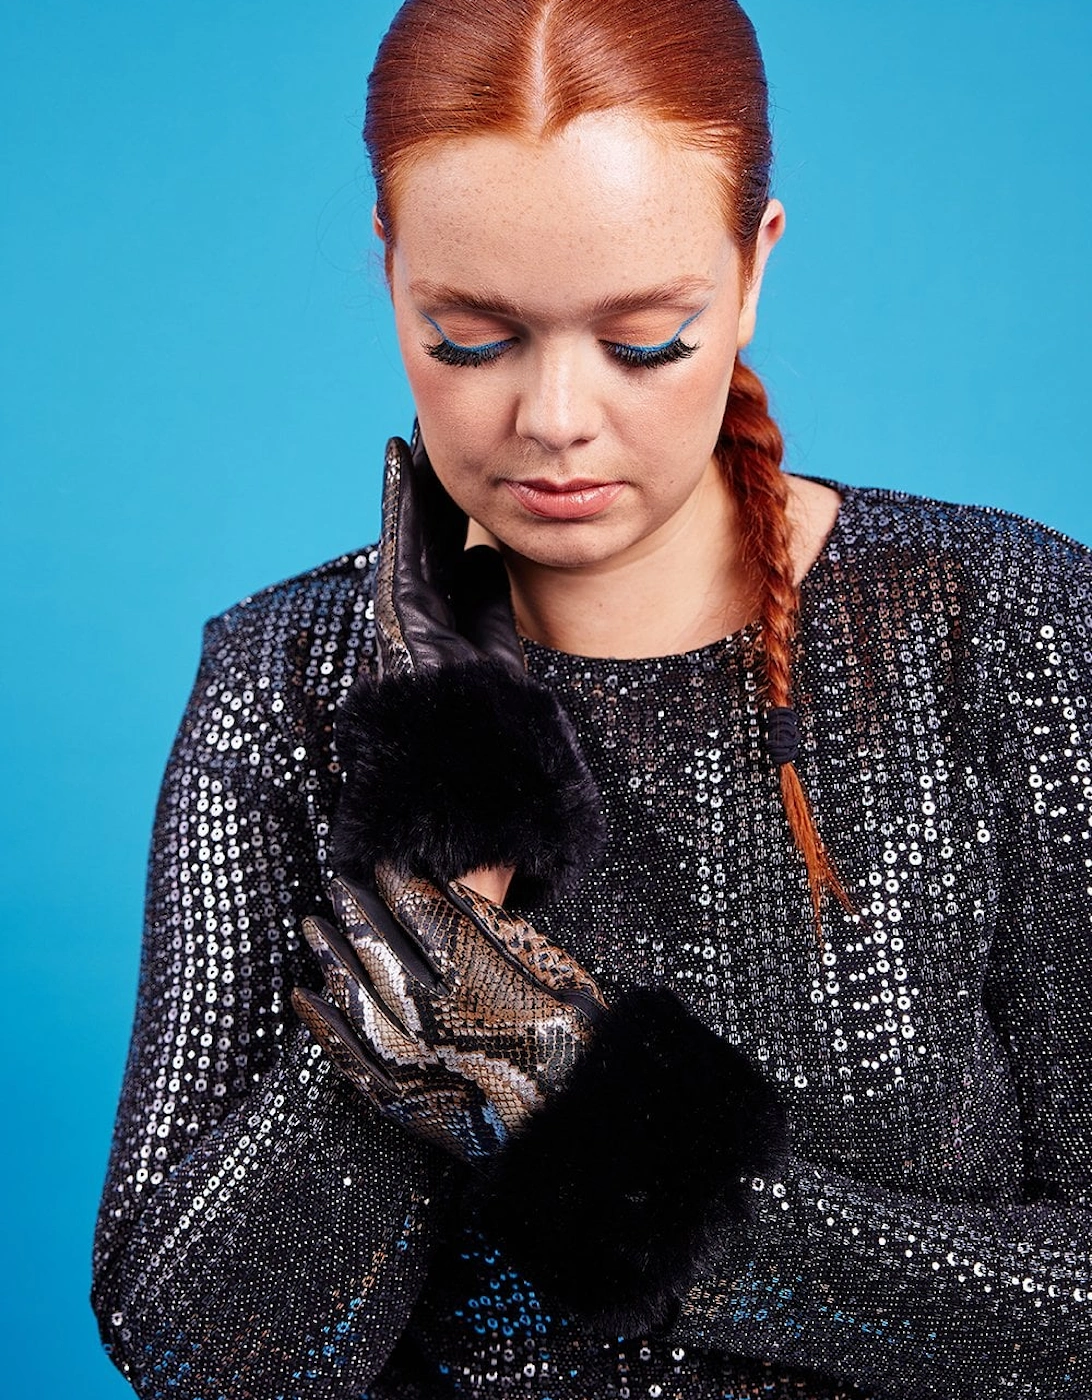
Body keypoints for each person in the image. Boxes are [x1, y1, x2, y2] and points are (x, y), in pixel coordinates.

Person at [90, 1, 1092, 1396]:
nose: (556, 417)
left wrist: (606, 1140)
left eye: (641, 342)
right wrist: (427, 925)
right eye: (471, 337)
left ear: (753, 271)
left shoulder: (1004, 625)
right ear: (389, 273)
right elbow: (203, 1356)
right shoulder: (291, 680)